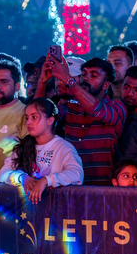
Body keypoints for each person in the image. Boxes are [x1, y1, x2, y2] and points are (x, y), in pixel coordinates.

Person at [40, 56, 126, 185]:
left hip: (102, 188)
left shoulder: (117, 107)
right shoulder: (70, 107)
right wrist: (42, 82)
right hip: (71, 186)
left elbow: (97, 110)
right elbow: (41, 117)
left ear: (106, 85)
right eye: (84, 74)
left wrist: (67, 79)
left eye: (93, 75)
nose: (86, 78)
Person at [0, 98, 83, 204]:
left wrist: (46, 180)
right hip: (25, 209)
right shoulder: (23, 146)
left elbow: (76, 174)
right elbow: (2, 174)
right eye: (27, 118)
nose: (28, 122)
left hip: (55, 209)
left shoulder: (64, 147)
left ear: (50, 120)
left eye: (34, 117)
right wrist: (21, 177)